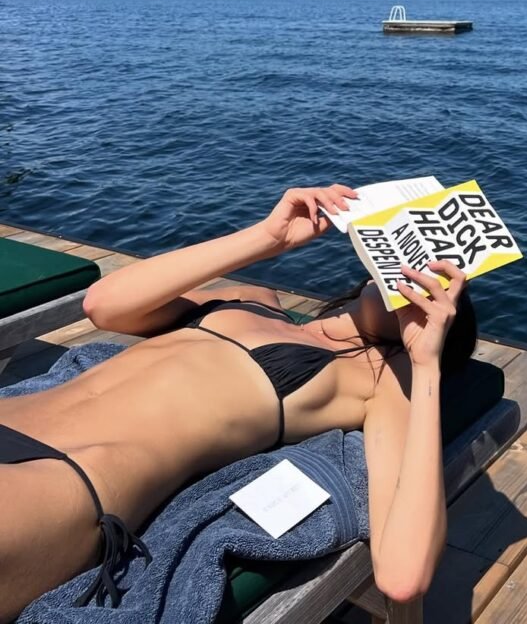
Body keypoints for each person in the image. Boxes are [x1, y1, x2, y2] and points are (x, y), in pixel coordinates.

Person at [0, 184, 476, 622]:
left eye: (444, 292)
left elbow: (402, 574)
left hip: (62, 481)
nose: (424, 280)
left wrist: (427, 362)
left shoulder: (382, 382)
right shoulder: (254, 297)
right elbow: (104, 305)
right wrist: (268, 237)